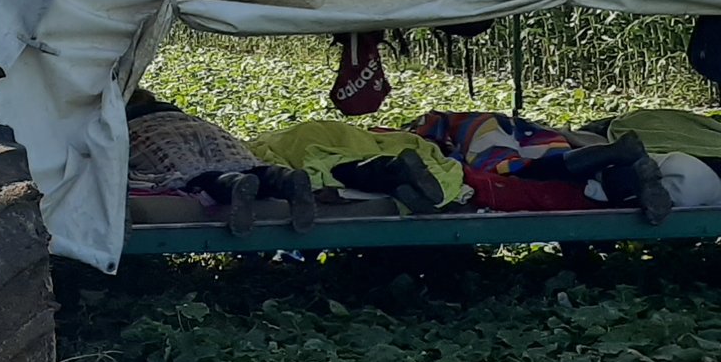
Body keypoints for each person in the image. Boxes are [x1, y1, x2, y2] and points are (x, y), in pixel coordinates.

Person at [404, 111, 670, 223]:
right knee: (574, 176)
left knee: (509, 170)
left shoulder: (431, 122)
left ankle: (614, 153)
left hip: (478, 128)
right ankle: (628, 171)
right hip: (535, 134)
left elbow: (429, 144)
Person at [126, 88, 318, 235]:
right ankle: (283, 178)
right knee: (251, 168)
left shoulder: (128, 126)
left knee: (200, 178)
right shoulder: (189, 117)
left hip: (167, 148)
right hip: (215, 139)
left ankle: (232, 185)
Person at [247, 119, 463, 215]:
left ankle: (390, 172)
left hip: (308, 139)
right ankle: (392, 174)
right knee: (338, 159)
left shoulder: (258, 145)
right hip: (325, 134)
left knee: (334, 164)